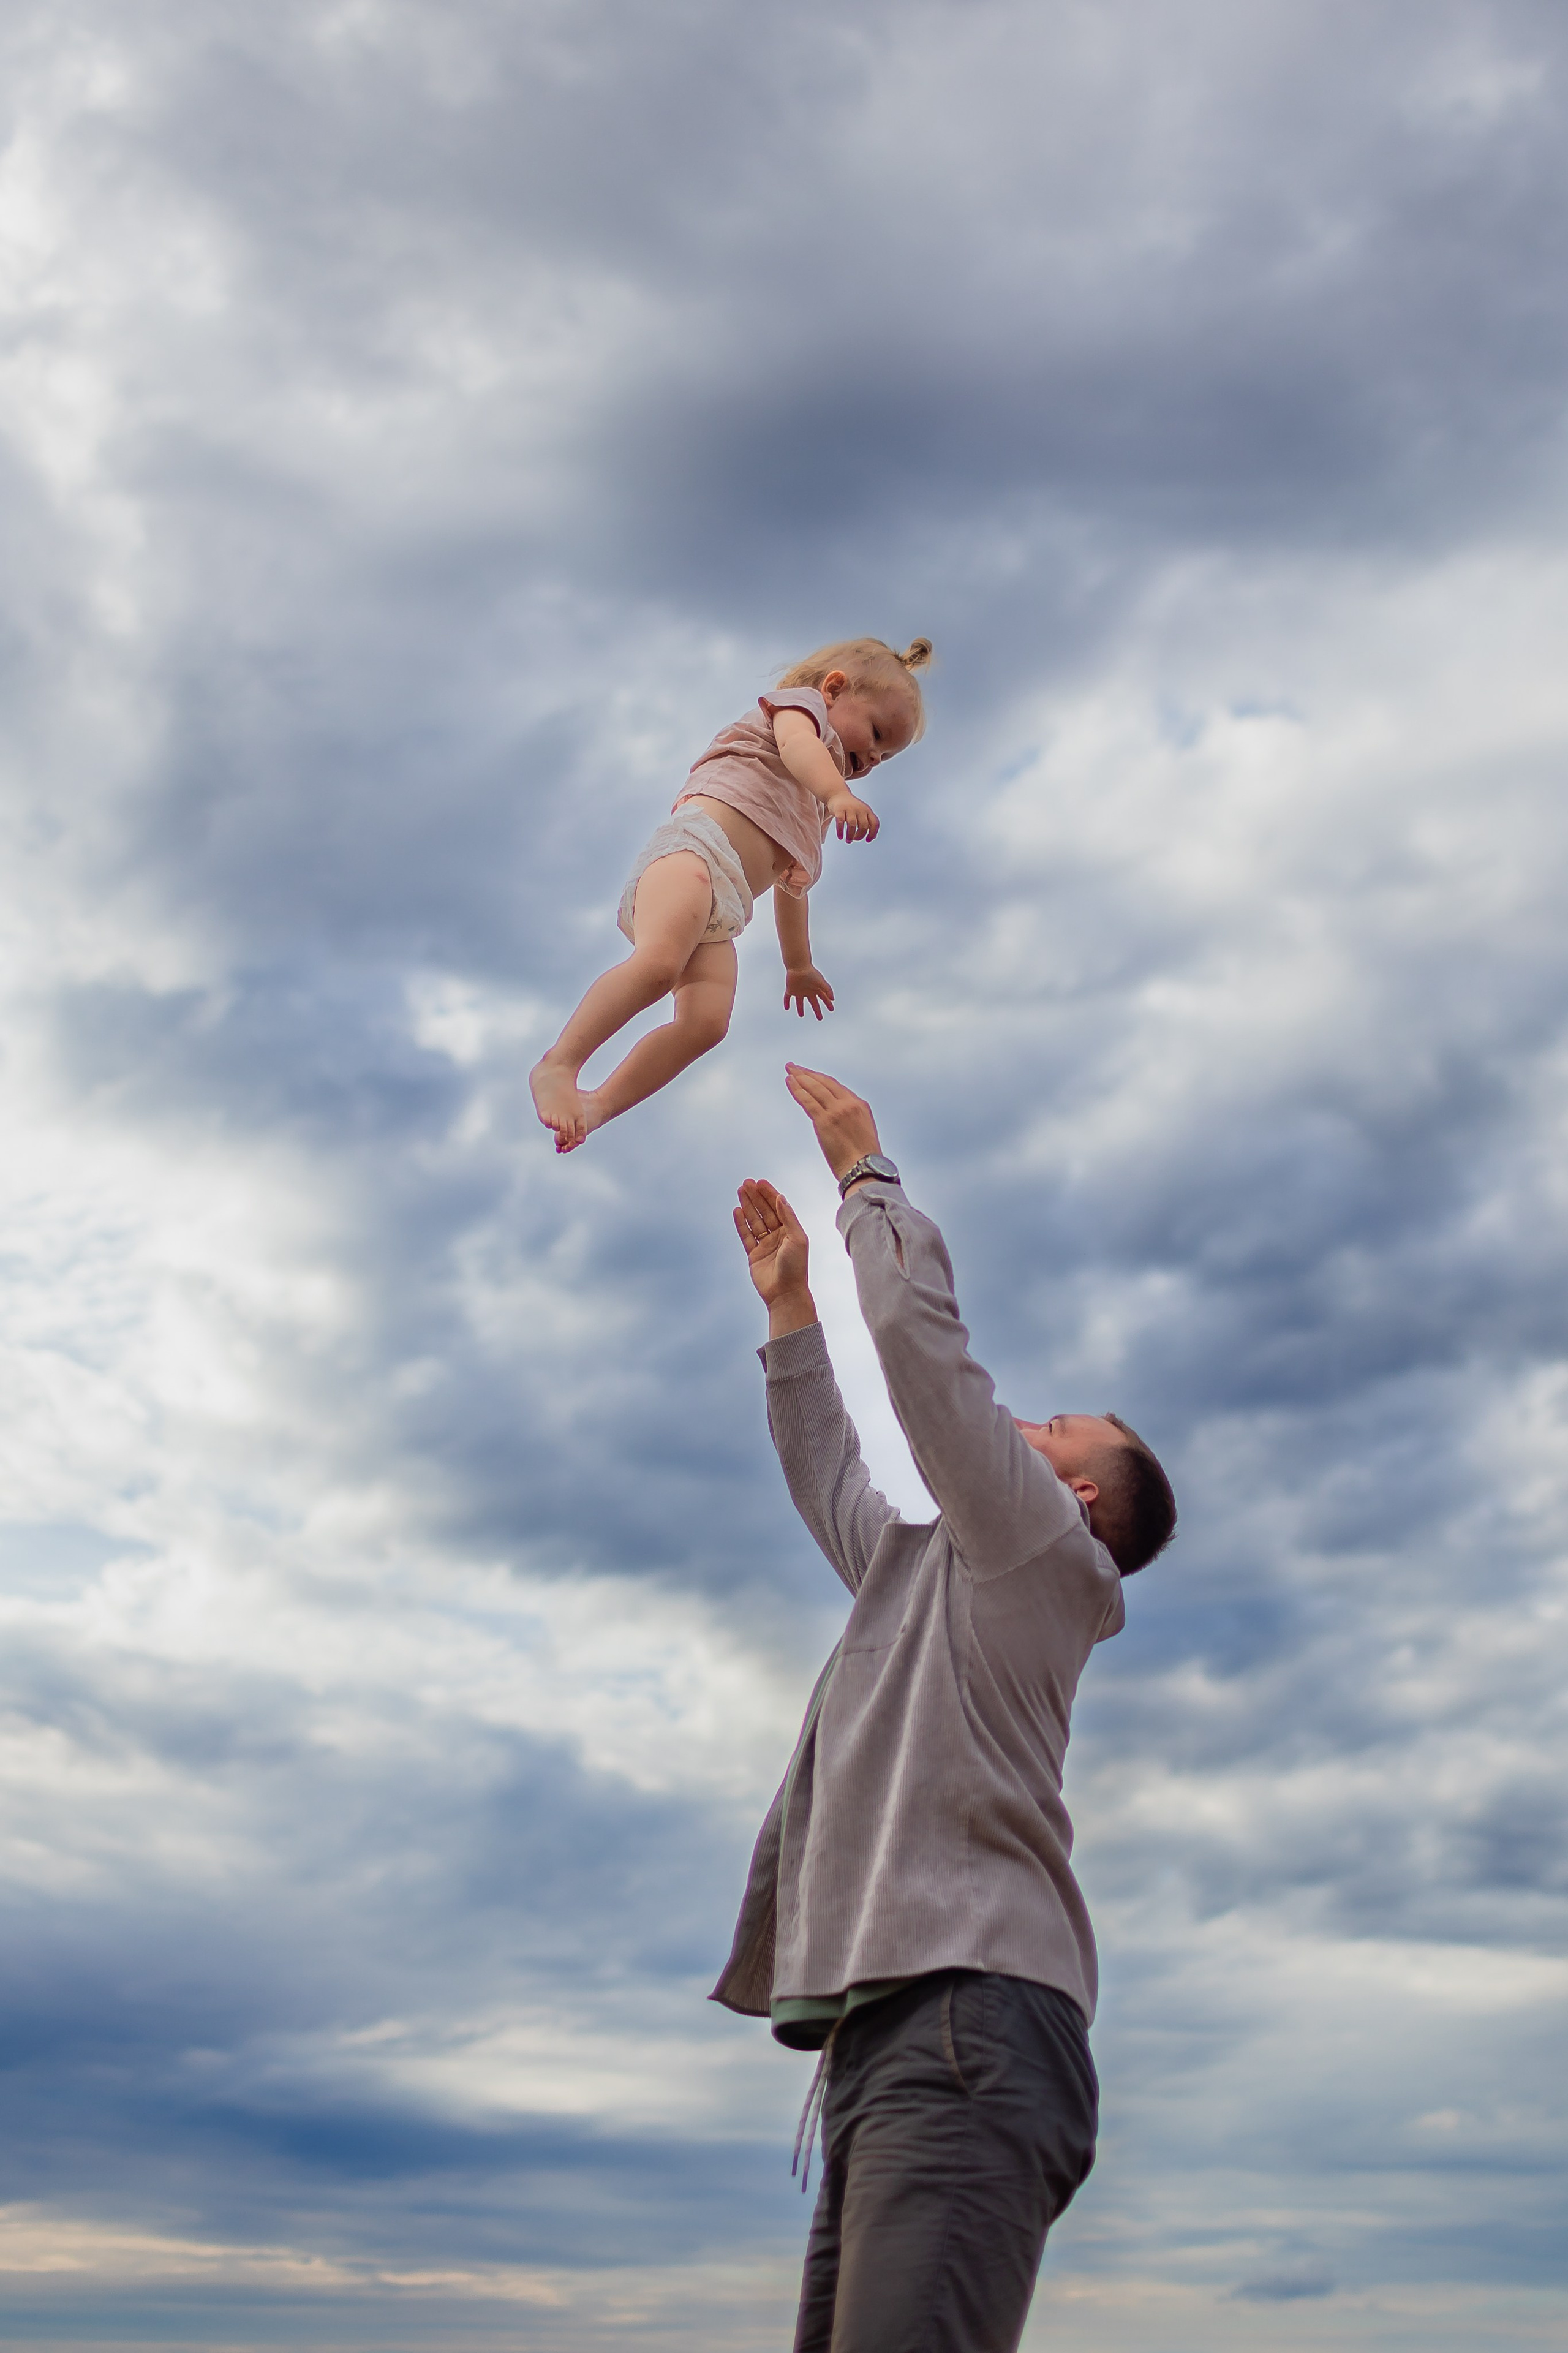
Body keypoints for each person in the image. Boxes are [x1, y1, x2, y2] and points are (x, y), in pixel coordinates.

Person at [717, 1065, 1177, 2353]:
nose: (1020, 1428)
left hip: (970, 2019)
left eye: (1050, 1429)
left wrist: (867, 1176)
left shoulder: (1044, 1555)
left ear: (1078, 1501)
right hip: (892, 2032)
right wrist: (792, 1311)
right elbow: (837, 1483)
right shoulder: (935, 1572)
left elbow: (928, 1374)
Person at [528, 638, 932, 1152]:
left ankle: (600, 1104)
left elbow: (792, 890)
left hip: (726, 910)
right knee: (658, 968)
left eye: (885, 757)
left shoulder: (815, 810)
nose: (873, 758)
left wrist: (798, 965)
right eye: (876, 734)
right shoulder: (800, 713)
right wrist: (836, 791)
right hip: (691, 854)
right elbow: (797, 749)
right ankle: (559, 1063)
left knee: (707, 1023)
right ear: (834, 689)